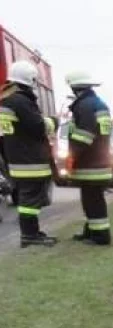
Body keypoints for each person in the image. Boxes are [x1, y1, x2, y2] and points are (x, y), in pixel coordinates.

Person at [0, 60, 57, 247]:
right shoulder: (21, 101)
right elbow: (37, 127)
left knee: (27, 199)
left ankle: (32, 233)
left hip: (17, 161)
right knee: (30, 201)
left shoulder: (7, 101)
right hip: (31, 161)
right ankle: (30, 236)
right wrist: (52, 122)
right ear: (30, 79)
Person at [65, 70, 113, 245]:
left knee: (92, 201)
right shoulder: (97, 104)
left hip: (90, 164)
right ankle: (91, 231)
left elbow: (84, 136)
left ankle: (100, 237)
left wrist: (72, 157)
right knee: (92, 199)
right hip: (99, 161)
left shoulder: (84, 106)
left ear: (74, 86)